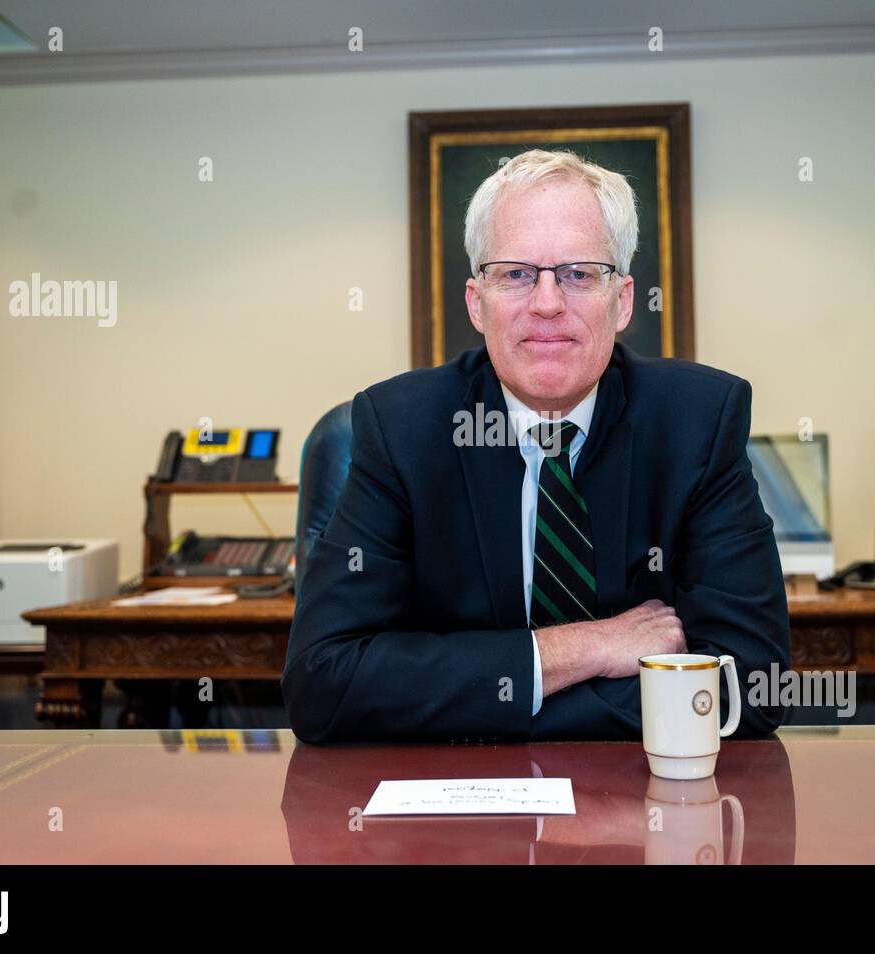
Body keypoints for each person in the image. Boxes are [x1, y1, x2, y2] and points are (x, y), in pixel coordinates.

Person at [282, 149, 789, 742]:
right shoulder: (403, 429)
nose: (547, 304)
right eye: (516, 274)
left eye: (578, 274)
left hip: (641, 811)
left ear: (622, 300)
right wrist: (584, 648)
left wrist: (475, 693)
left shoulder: (698, 422)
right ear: (477, 302)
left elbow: (752, 685)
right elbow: (324, 683)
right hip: (457, 815)